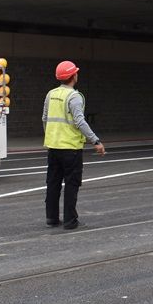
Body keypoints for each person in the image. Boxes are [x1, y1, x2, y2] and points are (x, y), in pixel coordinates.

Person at [42, 60, 105, 229]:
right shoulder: (74, 96)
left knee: (53, 183)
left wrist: (50, 137)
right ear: (73, 76)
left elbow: (44, 118)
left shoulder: (51, 94)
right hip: (71, 148)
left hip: (53, 147)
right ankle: (70, 221)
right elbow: (80, 121)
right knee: (71, 184)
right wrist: (95, 141)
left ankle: (52, 218)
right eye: (76, 72)